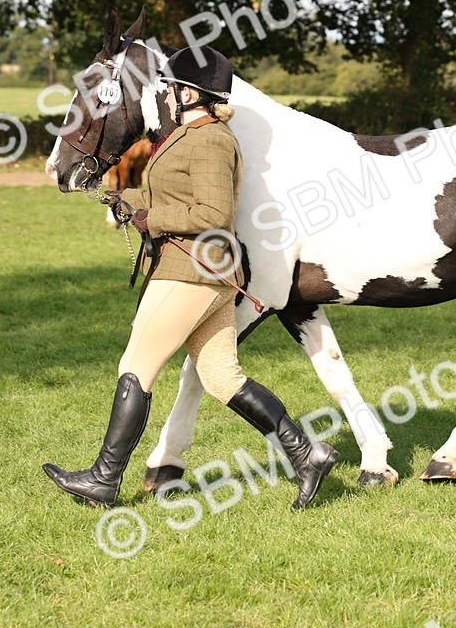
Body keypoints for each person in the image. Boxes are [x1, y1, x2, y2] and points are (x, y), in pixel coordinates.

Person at [43, 47, 338, 510]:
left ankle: (103, 478)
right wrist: (129, 202)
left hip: (191, 272)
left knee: (136, 366)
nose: (166, 94)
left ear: (188, 93)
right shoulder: (190, 135)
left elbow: (213, 213)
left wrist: (153, 218)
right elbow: (177, 195)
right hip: (204, 271)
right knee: (222, 376)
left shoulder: (209, 141)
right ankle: (307, 454)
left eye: (172, 88)